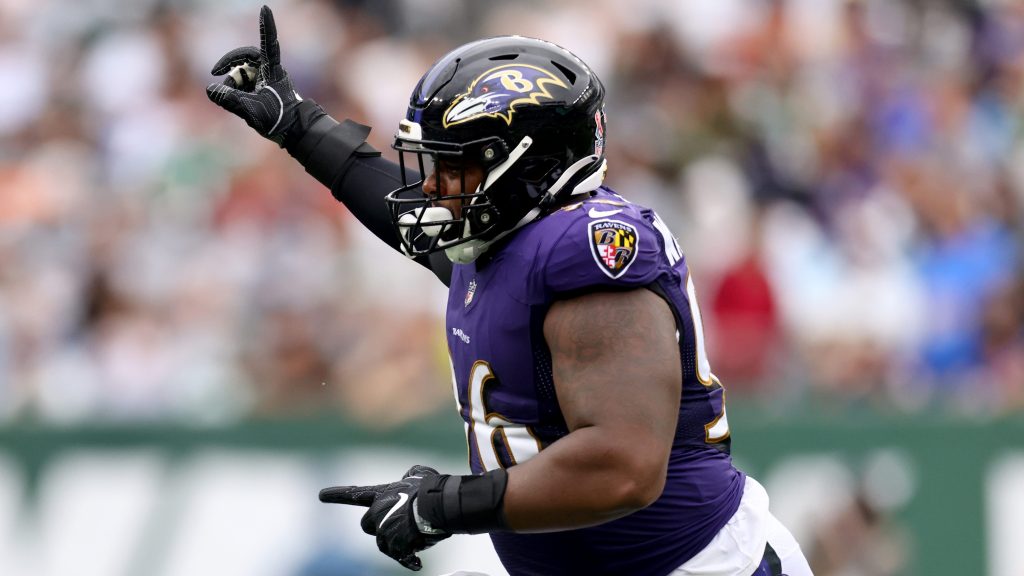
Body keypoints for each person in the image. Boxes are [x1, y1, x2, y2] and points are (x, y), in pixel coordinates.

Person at [206, 6, 813, 576]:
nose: (434, 188)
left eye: (456, 167)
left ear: (526, 164)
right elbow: (403, 215)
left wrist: (443, 505)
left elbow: (624, 467)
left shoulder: (588, 251)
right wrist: (299, 126)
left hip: (698, 564)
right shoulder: (505, 236)